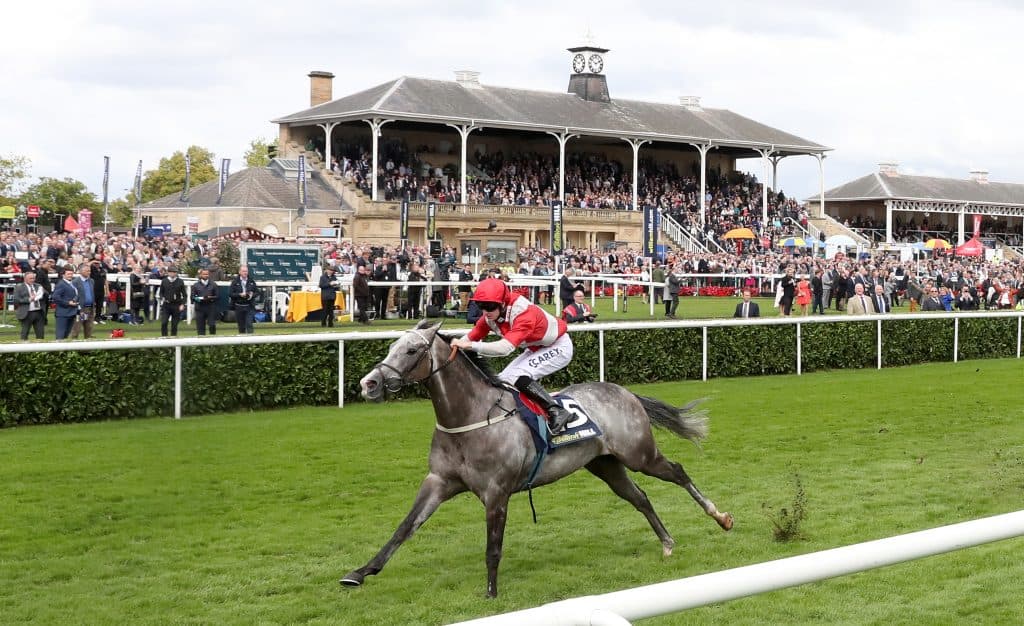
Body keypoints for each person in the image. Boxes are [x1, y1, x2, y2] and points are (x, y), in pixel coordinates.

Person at [451, 277, 573, 433]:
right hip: (537, 348)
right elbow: (468, 338)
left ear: (503, 303)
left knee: (517, 375)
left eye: (489, 306)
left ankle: (556, 410)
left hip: (559, 346)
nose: (485, 312)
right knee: (504, 379)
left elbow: (504, 348)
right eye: (481, 306)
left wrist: (470, 346)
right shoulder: (491, 315)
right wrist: (452, 347)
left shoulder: (523, 313)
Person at [13, 271, 46, 340]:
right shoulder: (19, 287)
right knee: (25, 333)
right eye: (30, 278)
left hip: (39, 312)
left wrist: (43, 292)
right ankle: (23, 345)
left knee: (40, 333)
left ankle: (40, 346)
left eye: (33, 278)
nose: (32, 280)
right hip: (27, 313)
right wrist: (29, 299)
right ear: (25, 279)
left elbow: (47, 295)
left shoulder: (38, 286)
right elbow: (16, 300)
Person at [158, 265, 188, 336]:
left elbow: (184, 295)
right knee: (164, 322)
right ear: (168, 273)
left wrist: (182, 304)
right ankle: (164, 337)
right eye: (171, 272)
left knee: (174, 324)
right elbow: (161, 292)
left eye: (174, 272)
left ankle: (173, 337)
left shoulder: (180, 281)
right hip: (166, 305)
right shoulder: (164, 281)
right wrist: (162, 298)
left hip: (176, 305)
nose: (173, 274)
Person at [51, 266, 79, 340]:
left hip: (72, 312)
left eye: (71, 274)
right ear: (63, 275)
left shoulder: (72, 283)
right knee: (60, 334)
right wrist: (68, 303)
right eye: (68, 274)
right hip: (63, 313)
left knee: (66, 333)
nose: (70, 275)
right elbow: (55, 297)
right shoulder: (61, 284)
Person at [69, 263, 96, 340]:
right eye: (87, 271)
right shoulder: (75, 282)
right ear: (81, 271)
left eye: (89, 271)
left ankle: (88, 341)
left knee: (89, 326)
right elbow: (73, 295)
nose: (89, 272)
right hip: (81, 308)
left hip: (90, 307)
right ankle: (73, 341)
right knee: (77, 326)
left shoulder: (91, 281)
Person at [230, 266, 259, 334]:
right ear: (239, 272)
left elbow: (257, 292)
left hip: (249, 306)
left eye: (246, 271)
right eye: (243, 271)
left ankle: (251, 338)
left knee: (249, 324)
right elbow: (231, 294)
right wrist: (239, 294)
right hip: (239, 306)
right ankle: (242, 338)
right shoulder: (235, 282)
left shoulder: (251, 281)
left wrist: (251, 295)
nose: (245, 273)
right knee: (241, 326)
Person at [191, 267, 219, 335]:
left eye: (207, 274)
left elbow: (217, 296)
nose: (206, 275)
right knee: (200, 327)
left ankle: (213, 339)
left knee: (212, 325)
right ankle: (201, 340)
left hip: (210, 307)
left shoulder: (213, 284)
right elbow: (192, 297)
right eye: (204, 274)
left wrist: (210, 297)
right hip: (200, 307)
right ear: (200, 275)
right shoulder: (196, 285)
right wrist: (199, 299)